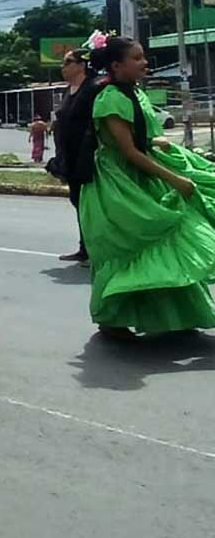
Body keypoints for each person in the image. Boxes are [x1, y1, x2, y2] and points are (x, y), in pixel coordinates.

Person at [78, 36, 215, 339]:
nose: (144, 63)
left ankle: (177, 315)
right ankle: (112, 318)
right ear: (116, 65)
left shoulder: (135, 93)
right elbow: (127, 151)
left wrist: (157, 141)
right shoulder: (110, 98)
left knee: (172, 240)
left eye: (143, 57)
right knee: (129, 248)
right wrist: (174, 179)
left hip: (144, 172)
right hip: (119, 182)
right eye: (137, 58)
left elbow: (139, 139)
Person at [52, 49, 101, 264]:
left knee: (91, 206)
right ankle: (85, 249)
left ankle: (96, 249)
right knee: (78, 202)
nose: (64, 67)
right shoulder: (69, 90)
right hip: (69, 157)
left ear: (82, 65)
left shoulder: (93, 89)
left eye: (68, 62)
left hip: (87, 157)